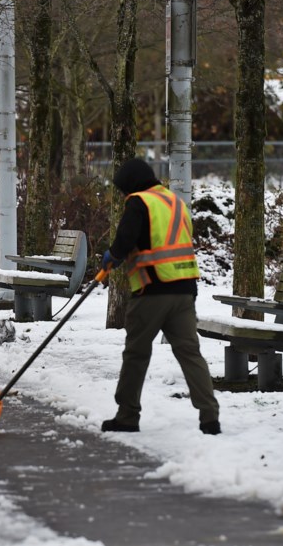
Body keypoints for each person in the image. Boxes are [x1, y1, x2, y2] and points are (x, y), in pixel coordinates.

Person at [100, 158, 221, 435]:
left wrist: (113, 256)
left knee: (136, 354)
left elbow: (126, 239)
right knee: (190, 353)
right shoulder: (174, 202)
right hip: (185, 289)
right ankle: (209, 417)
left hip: (152, 290)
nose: (123, 195)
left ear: (131, 184)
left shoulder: (138, 201)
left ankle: (127, 416)